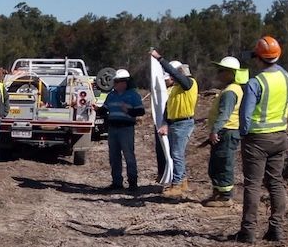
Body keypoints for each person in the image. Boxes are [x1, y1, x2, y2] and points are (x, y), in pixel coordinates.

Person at [237, 36, 288, 243]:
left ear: (258, 57)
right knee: (276, 183)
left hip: (257, 138)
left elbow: (245, 113)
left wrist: (243, 133)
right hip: (280, 135)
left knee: (253, 184)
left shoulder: (256, 82)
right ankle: (276, 229)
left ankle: (248, 231)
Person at [150, 49, 197, 198]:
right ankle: (181, 181)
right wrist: (165, 123)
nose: (170, 77)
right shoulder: (175, 89)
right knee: (174, 153)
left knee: (177, 154)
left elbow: (177, 74)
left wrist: (160, 59)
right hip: (174, 123)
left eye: (172, 74)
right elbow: (168, 108)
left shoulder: (188, 83)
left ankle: (177, 184)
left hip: (184, 123)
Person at [202, 57, 244, 208]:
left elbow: (224, 114)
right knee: (217, 162)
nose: (218, 74)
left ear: (230, 73)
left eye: (221, 71)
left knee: (223, 162)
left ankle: (225, 197)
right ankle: (219, 192)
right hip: (226, 131)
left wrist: (215, 130)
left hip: (227, 131)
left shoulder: (230, 92)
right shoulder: (231, 89)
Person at [96, 68, 145, 191]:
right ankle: (117, 182)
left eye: (117, 82)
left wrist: (128, 111)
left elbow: (141, 111)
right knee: (114, 157)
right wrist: (96, 108)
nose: (115, 84)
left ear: (124, 82)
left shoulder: (133, 95)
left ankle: (132, 183)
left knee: (129, 156)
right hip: (112, 129)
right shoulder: (111, 95)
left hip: (126, 129)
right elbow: (104, 109)